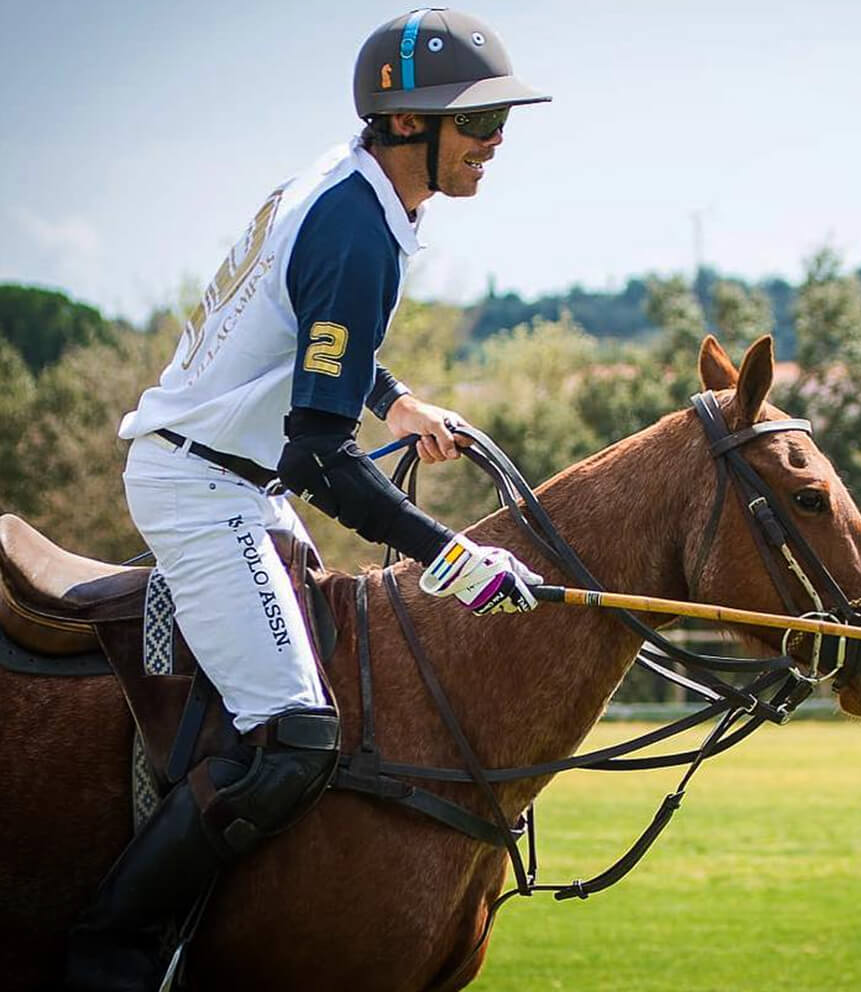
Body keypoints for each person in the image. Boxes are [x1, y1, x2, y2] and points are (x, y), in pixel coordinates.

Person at [63, 9, 549, 990]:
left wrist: (394, 399)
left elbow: (309, 335)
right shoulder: (358, 230)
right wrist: (457, 561)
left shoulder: (347, 187)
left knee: (337, 677)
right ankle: (112, 948)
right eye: (480, 122)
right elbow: (322, 457)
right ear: (408, 124)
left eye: (502, 121)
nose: (497, 143)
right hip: (206, 485)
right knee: (294, 731)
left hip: (231, 472)